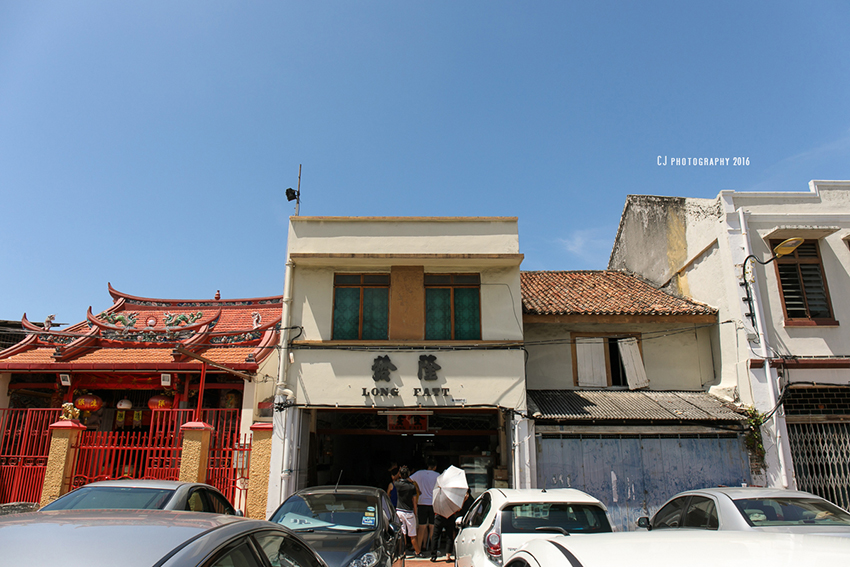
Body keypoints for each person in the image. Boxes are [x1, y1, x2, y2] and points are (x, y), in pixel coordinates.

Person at [431, 488, 471, 562]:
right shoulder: (452, 498)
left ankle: (433, 555)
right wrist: (464, 500)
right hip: (449, 516)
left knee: (435, 536)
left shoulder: (438, 497)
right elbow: (458, 509)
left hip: (439, 516)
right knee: (449, 536)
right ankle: (448, 556)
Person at [410, 459, 440, 555]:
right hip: (433, 504)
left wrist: (417, 489)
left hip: (422, 503)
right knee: (432, 527)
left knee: (422, 527)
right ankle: (433, 549)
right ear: (435, 467)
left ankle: (417, 550)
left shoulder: (419, 473)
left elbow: (409, 480)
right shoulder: (437, 475)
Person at [393, 466, 421, 557]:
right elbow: (414, 501)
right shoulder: (411, 487)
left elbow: (394, 479)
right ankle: (418, 552)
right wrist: (415, 513)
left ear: (400, 474)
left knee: (402, 533)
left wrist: (398, 472)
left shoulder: (397, 485)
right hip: (409, 511)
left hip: (399, 511)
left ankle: (402, 552)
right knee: (412, 534)